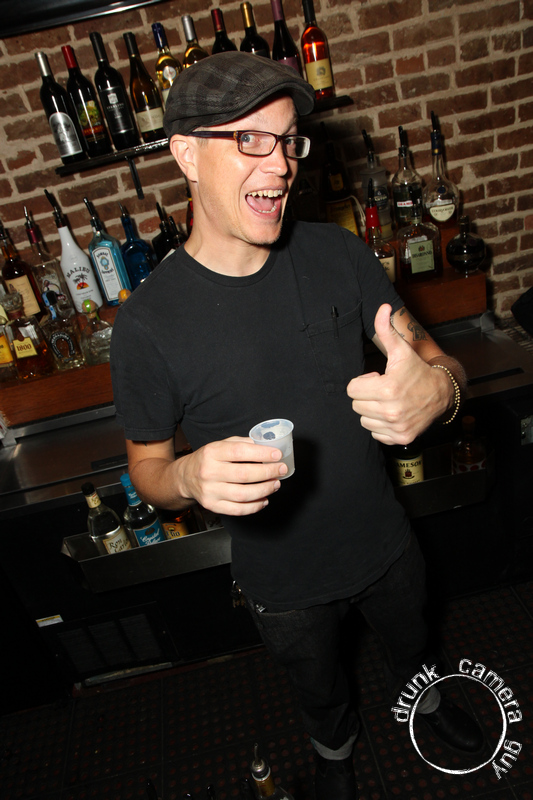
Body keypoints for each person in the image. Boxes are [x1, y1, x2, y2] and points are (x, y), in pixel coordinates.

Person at [110, 52, 483, 799]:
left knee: (415, 644)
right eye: (249, 138)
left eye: (286, 141)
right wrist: (185, 476)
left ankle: (428, 703)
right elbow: (147, 471)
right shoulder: (146, 326)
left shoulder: (338, 254)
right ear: (185, 154)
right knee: (317, 685)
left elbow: (441, 364)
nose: (280, 164)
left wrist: (440, 392)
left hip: (385, 541)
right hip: (281, 581)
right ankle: (334, 755)